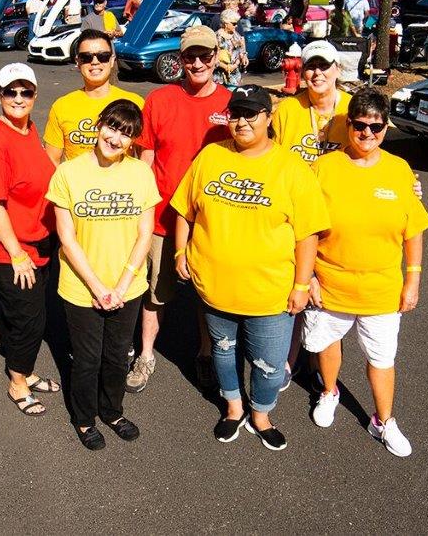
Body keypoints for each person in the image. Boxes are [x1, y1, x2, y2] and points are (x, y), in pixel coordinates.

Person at [171, 85, 330, 451]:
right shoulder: (211, 156)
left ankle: (261, 414)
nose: (241, 122)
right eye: (235, 114)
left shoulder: (290, 168)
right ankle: (233, 408)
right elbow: (185, 210)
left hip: (270, 292)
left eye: (251, 114)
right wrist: (180, 252)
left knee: (270, 363)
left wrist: (302, 285)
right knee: (223, 352)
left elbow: (308, 234)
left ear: (268, 118)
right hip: (214, 286)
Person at [303, 89, 428, 457]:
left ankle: (383, 420)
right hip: (330, 283)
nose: (366, 134)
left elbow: (414, 230)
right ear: (348, 125)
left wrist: (414, 279)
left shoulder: (399, 170)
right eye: (358, 125)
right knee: (327, 346)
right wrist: (308, 277)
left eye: (375, 127)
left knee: (381, 358)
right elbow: (306, 229)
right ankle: (329, 392)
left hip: (381, 289)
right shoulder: (323, 168)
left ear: (385, 127)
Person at [46, 100, 160, 450]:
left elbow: (145, 232)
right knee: (87, 359)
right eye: (111, 127)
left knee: (116, 355)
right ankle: (83, 419)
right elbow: (66, 237)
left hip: (127, 287)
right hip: (82, 287)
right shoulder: (68, 172)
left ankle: (112, 411)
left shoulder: (141, 173)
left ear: (133, 141)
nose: (116, 138)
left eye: (126, 134)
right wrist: (98, 287)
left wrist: (122, 285)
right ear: (99, 125)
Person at [127, 25, 231, 394]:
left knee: (208, 297)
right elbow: (145, 157)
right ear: (180, 59)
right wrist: (137, 210)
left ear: (217, 57)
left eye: (205, 55)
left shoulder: (231, 105)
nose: (198, 63)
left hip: (210, 223)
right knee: (155, 293)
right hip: (160, 219)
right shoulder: (159, 100)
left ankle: (205, 355)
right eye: (190, 56)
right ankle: (146, 354)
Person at [0, 63, 61, 418]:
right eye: (10, 91)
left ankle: (24, 369)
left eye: (25, 91)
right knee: (28, 320)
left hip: (37, 243)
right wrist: (17, 254)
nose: (18, 98)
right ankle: (17, 383)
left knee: (32, 316)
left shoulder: (27, 131)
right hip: (12, 250)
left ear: (34, 95)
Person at [43, 29, 144, 165]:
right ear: (78, 62)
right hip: (76, 185)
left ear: (112, 60)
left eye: (103, 56)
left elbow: (144, 157)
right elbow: (52, 161)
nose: (95, 62)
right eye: (86, 57)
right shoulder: (61, 106)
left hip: (122, 185)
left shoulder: (135, 104)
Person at [272, 40, 352, 164]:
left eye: (324, 66)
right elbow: (275, 158)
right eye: (311, 67)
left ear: (338, 70)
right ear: (303, 73)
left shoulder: (354, 108)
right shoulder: (287, 109)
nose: (317, 72)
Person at [214, 9, 247, 88]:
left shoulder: (237, 36)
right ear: (226, 24)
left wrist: (236, 64)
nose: (236, 26)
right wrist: (226, 67)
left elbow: (241, 52)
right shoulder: (216, 37)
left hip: (234, 77)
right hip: (218, 77)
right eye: (234, 23)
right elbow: (213, 57)